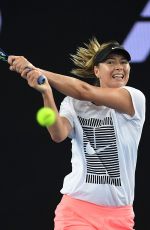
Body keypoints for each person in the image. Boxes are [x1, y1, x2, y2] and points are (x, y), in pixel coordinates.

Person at [8, 37, 146, 230]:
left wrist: (36, 69)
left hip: (120, 217)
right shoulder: (73, 103)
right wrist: (46, 92)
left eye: (124, 62)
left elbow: (84, 91)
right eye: (110, 62)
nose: (119, 67)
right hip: (77, 212)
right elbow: (58, 134)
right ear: (96, 71)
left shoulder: (135, 99)